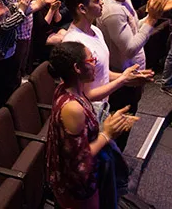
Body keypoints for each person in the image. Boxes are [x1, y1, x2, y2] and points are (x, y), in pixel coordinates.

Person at [46, 41, 138, 209]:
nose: (95, 62)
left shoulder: (68, 88)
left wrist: (110, 123)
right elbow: (79, 160)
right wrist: (107, 133)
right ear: (77, 68)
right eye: (91, 60)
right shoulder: (73, 108)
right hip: (77, 186)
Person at [98, 0, 172, 149]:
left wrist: (150, 17)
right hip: (122, 81)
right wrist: (152, 18)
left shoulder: (124, 0)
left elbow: (134, 30)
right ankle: (114, 172)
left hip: (132, 77)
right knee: (117, 133)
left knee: (125, 127)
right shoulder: (113, 12)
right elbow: (130, 48)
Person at [62, 0, 152, 104]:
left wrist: (129, 76)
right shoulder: (75, 43)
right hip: (87, 111)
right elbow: (85, 95)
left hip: (103, 105)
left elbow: (102, 73)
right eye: (97, 0)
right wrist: (123, 80)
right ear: (82, 8)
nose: (102, 2)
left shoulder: (95, 30)